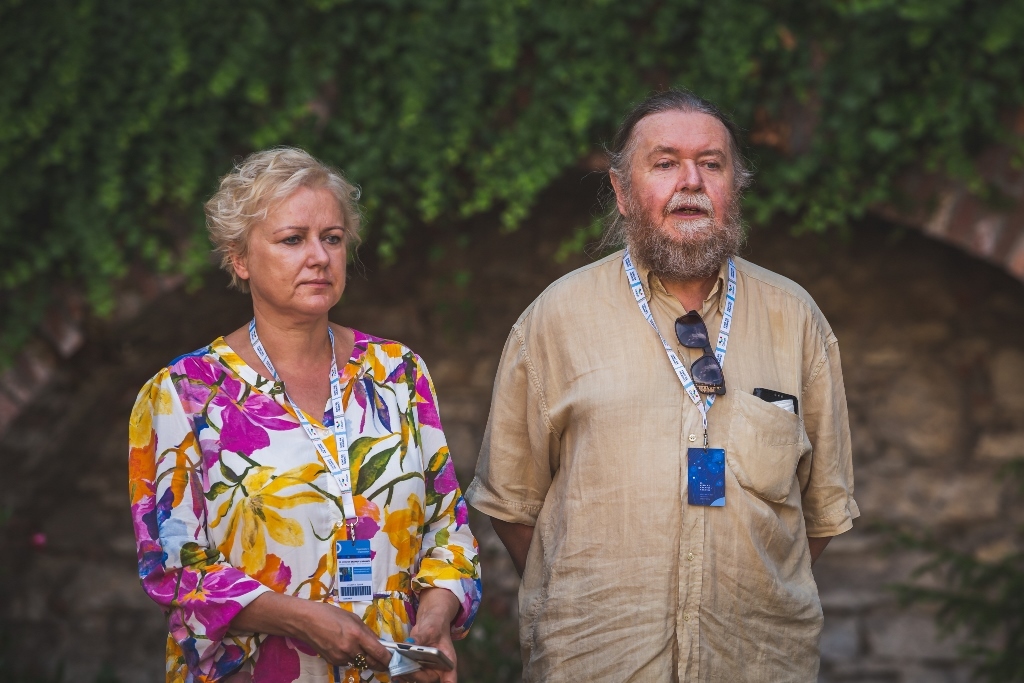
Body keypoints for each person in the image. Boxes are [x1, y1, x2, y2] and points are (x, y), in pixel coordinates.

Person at [466, 90, 858, 681]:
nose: (691, 182)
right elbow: (512, 504)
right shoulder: (555, 319)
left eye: (711, 164)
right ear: (623, 192)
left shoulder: (796, 320)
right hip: (597, 663)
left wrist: (747, 585)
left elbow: (821, 513)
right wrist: (590, 596)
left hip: (754, 662)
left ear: (735, 187)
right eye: (666, 163)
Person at [128, 148, 481, 683]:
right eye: (293, 239)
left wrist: (435, 616)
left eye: (332, 238)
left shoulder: (397, 372)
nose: (319, 257)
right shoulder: (184, 394)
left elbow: (448, 528)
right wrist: (301, 619)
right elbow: (173, 570)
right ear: (240, 259)